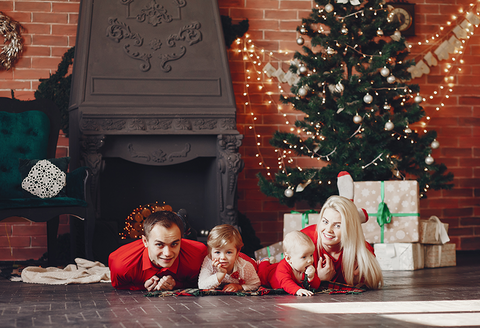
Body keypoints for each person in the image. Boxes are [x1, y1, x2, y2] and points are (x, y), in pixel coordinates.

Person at [109, 211, 208, 291]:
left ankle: (184, 226)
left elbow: (200, 283)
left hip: (187, 246)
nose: (167, 253)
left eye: (174, 244)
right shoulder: (122, 265)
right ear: (145, 241)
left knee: (190, 236)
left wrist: (176, 284)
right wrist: (142, 286)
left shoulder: (198, 256)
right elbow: (119, 286)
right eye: (159, 244)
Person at [302, 195, 383, 289]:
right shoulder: (304, 240)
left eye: (338, 226)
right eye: (325, 221)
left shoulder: (361, 251)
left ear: (350, 229)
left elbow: (373, 283)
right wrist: (319, 280)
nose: (328, 230)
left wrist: (359, 281)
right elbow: (283, 279)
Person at [198, 224, 261, 292]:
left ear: (237, 252)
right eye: (217, 252)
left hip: (246, 259)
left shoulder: (244, 266)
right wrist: (221, 273)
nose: (222, 257)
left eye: (228, 252)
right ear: (210, 252)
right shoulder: (209, 261)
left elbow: (255, 284)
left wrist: (239, 287)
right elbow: (202, 286)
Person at [257, 230, 321, 296]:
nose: (310, 260)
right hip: (270, 273)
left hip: (278, 268)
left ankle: (271, 261)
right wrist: (297, 290)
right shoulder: (283, 268)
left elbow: (316, 286)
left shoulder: (305, 266)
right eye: (304, 257)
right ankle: (264, 261)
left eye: (311, 255)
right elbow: (285, 282)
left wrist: (312, 277)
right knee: (261, 277)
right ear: (288, 258)